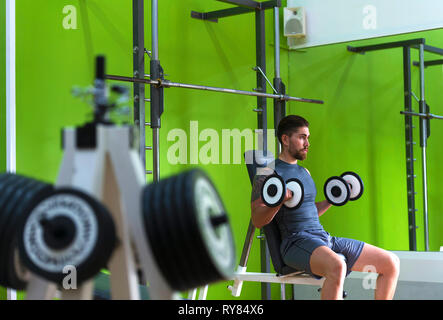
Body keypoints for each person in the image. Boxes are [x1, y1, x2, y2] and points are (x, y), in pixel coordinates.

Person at [250, 115, 400, 300]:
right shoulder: (268, 173)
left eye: (308, 138)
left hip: (323, 238)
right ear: (285, 139)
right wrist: (279, 201)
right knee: (337, 265)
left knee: (390, 263)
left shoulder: (304, 172)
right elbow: (257, 220)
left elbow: (308, 211)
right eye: (302, 137)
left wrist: (331, 199)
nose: (307, 143)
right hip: (295, 243)